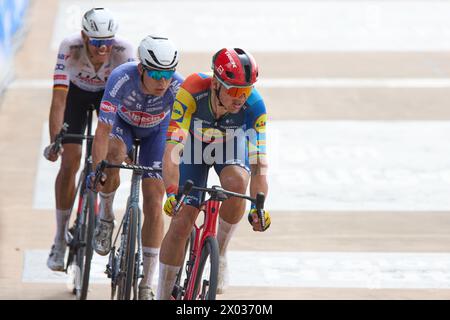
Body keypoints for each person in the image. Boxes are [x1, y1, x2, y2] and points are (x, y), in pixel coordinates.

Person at [157, 48, 271, 300]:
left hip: (229, 147)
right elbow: (172, 151)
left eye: (247, 89)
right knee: (182, 220)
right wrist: (172, 193)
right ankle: (163, 295)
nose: (240, 97)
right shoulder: (192, 90)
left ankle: (220, 251)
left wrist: (259, 208)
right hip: (193, 148)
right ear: (216, 84)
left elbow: (259, 165)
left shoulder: (255, 106)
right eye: (234, 90)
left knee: (237, 182)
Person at [89, 35, 183, 300]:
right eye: (155, 73)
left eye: (168, 74)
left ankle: (146, 283)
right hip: (123, 126)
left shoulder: (178, 87)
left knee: (154, 200)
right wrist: (99, 169)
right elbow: (103, 129)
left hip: (157, 132)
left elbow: (181, 140)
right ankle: (106, 216)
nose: (162, 81)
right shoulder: (121, 77)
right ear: (141, 68)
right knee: (114, 153)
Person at [43, 7, 134, 272]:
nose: (103, 48)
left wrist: (125, 142)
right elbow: (59, 99)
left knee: (105, 159)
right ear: (84, 37)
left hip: (109, 97)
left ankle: (104, 215)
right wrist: (55, 141)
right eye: (96, 42)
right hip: (76, 96)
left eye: (108, 42)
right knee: (70, 161)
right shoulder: (69, 47)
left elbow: (128, 102)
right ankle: (59, 238)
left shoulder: (123, 51)